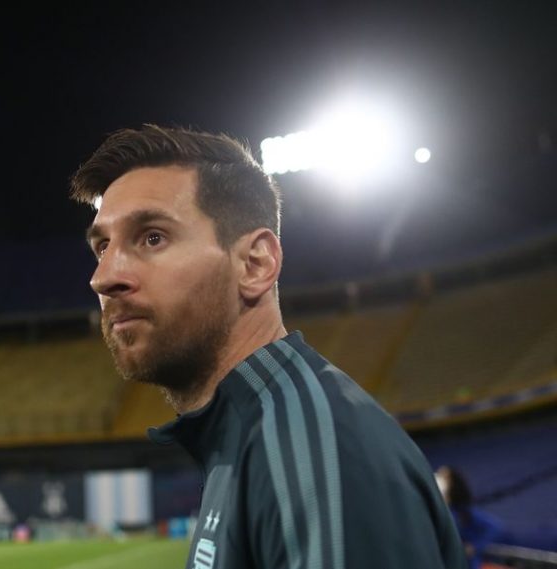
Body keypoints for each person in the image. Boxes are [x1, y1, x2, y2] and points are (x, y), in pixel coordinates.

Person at [70, 124, 466, 568]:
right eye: (102, 247)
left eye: (152, 237)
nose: (103, 277)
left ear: (255, 264)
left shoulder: (314, 455)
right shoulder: (252, 435)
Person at [436, 466, 503, 569]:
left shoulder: (463, 511)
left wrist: (475, 546)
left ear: (453, 484)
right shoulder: (437, 509)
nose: (438, 478)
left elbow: (494, 527)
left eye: (445, 476)